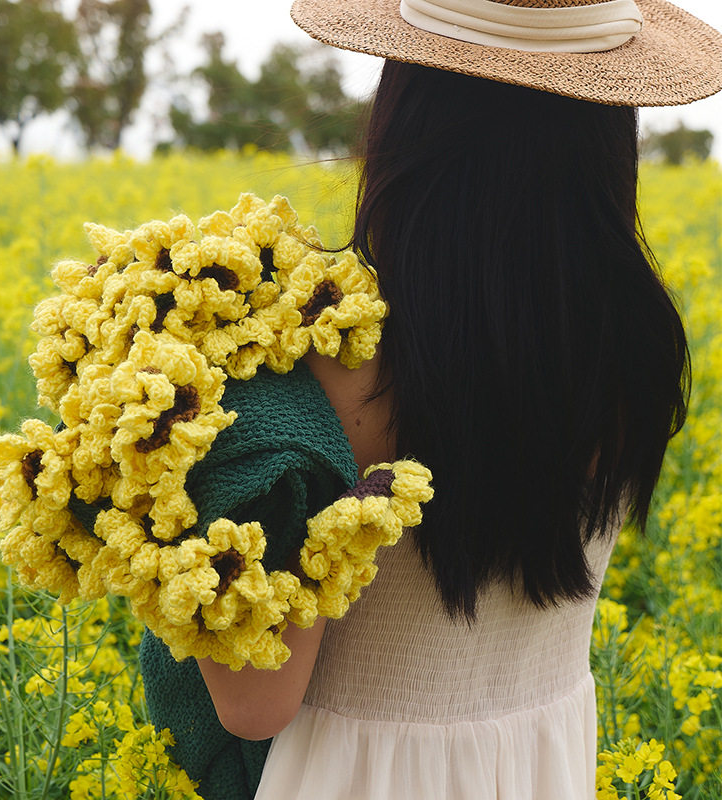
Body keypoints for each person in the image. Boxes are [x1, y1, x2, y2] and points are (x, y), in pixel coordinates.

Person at [142, 1, 722, 798]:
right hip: (540, 768)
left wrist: (149, 472)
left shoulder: (330, 370)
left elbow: (253, 705)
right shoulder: (636, 351)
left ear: (408, 118)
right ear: (607, 135)